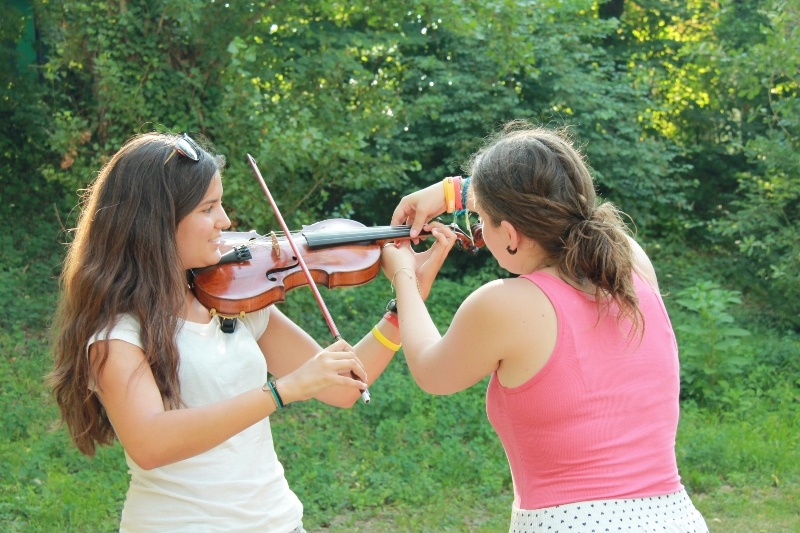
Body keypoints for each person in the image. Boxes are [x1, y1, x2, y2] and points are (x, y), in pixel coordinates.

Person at [48, 132, 452, 533]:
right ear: (157, 222)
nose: (225, 222)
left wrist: (403, 307)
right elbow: (150, 443)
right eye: (208, 209)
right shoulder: (117, 332)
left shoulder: (231, 298)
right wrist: (281, 391)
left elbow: (344, 387)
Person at [383, 121, 709, 532]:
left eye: (481, 220)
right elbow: (559, 198)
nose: (478, 229)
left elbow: (432, 370)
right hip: (676, 519)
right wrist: (458, 193)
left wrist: (405, 278)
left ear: (513, 235)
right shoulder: (632, 264)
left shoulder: (507, 305)